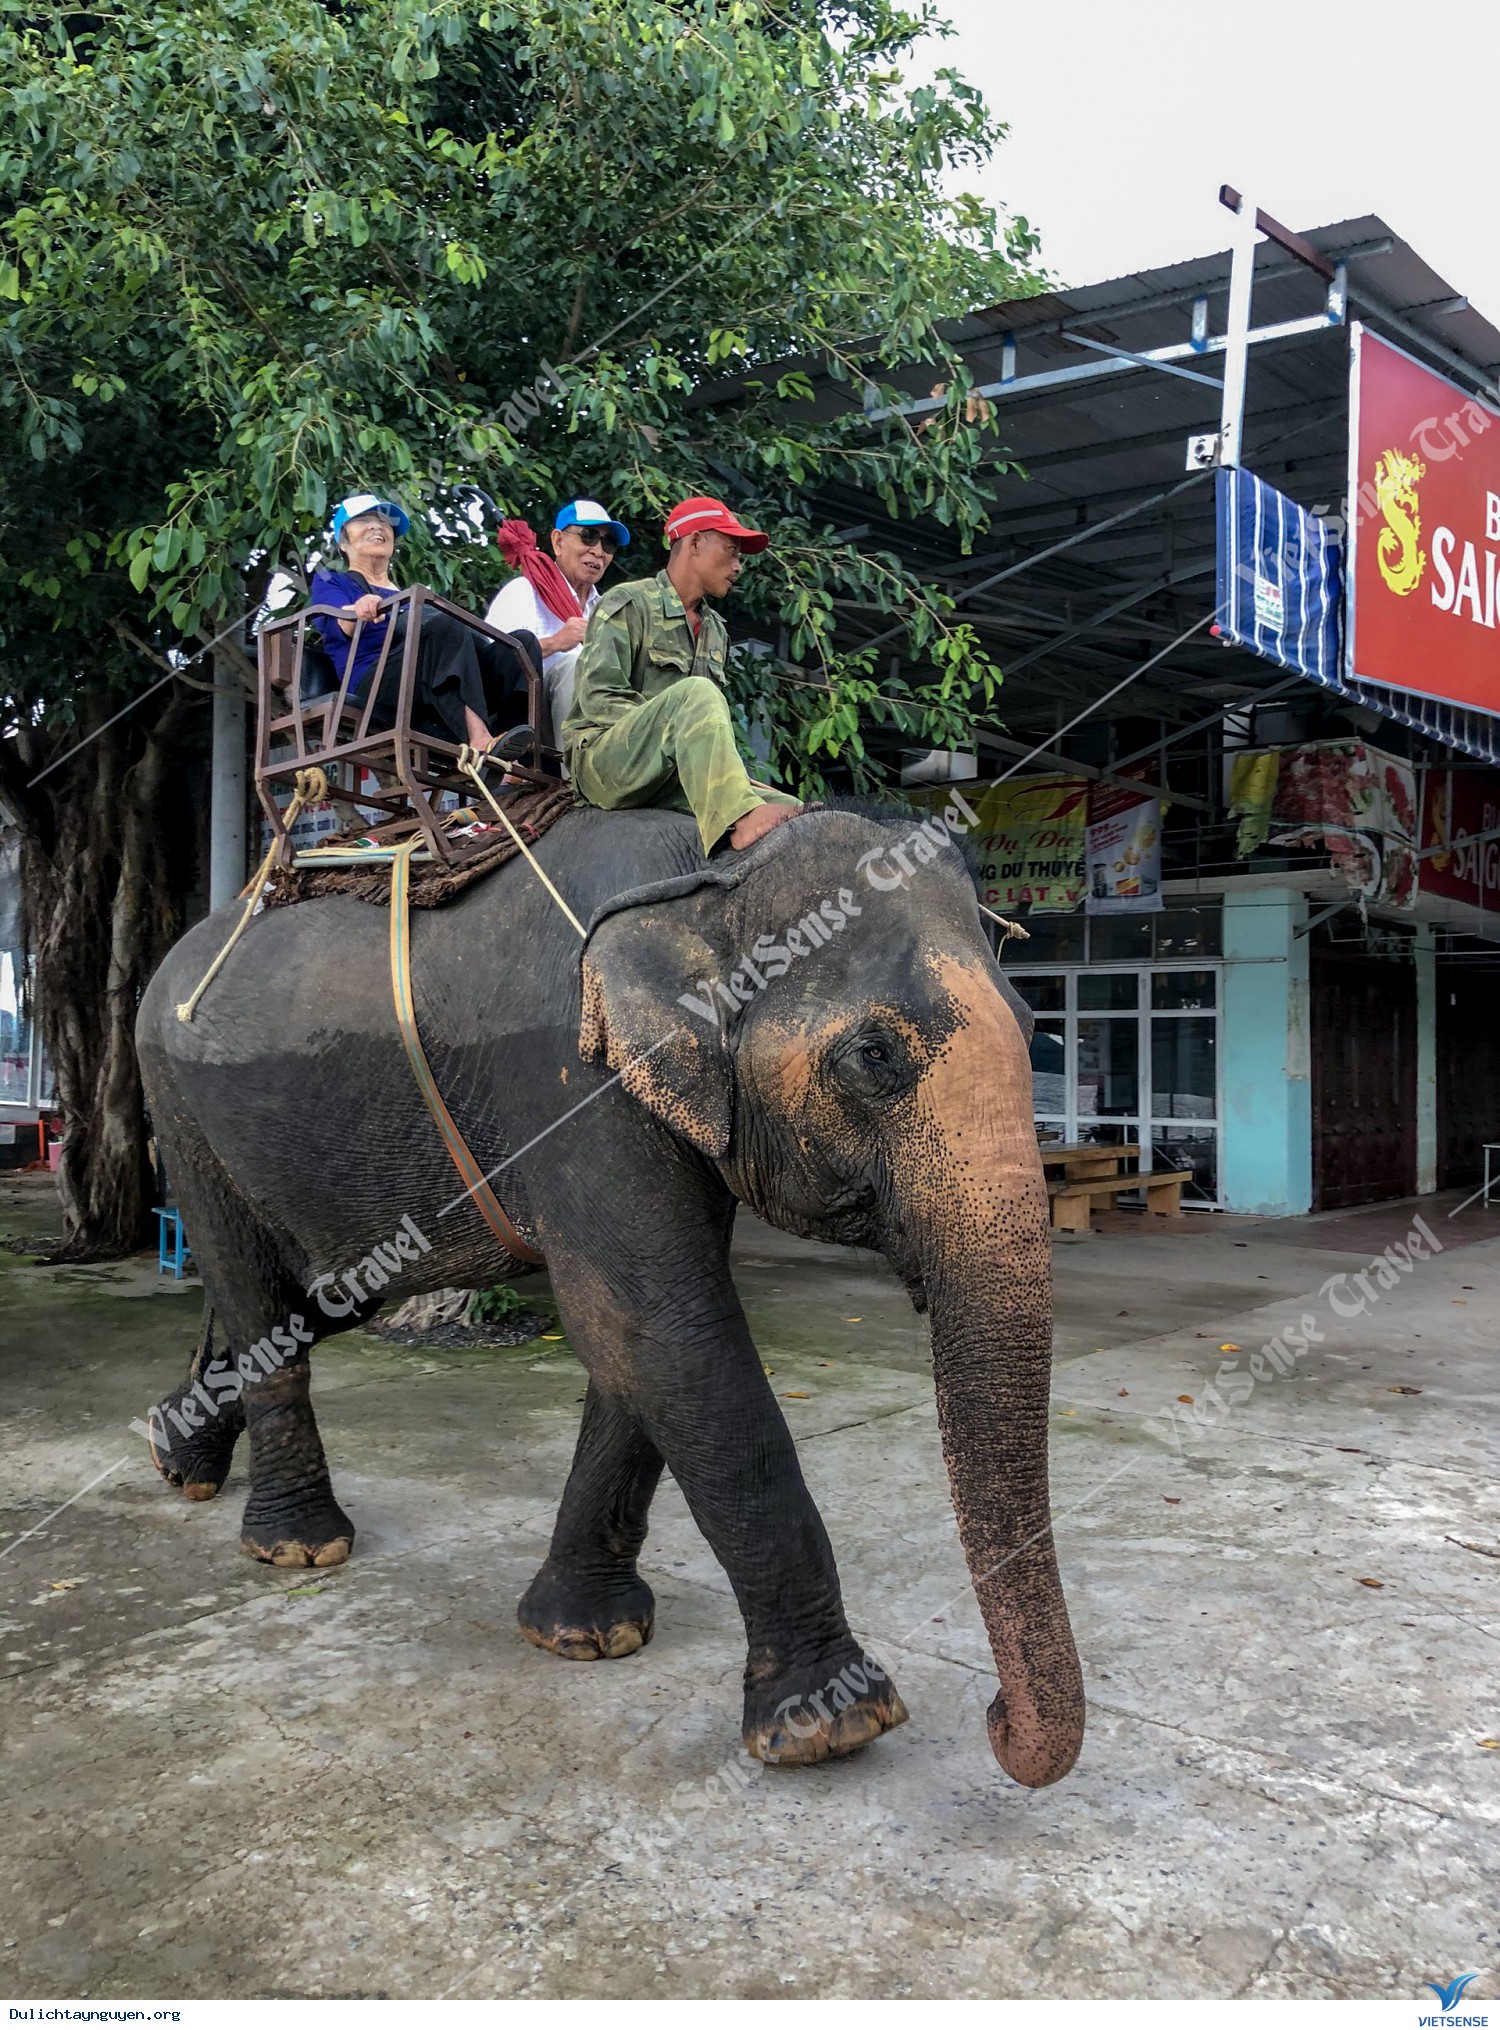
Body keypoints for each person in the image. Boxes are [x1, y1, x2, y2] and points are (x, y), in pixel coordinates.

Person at [563, 496, 801, 854]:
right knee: (698, 693)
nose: (738, 566)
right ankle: (737, 819)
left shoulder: (716, 630)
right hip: (607, 761)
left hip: (670, 770)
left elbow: (705, 729)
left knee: (794, 811)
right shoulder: (629, 602)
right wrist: (676, 734)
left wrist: (720, 763)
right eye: (732, 550)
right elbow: (599, 698)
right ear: (693, 542)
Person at [307, 494, 538, 751]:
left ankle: (511, 751)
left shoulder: (410, 595)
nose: (378, 526)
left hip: (429, 679)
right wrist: (359, 608)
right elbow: (338, 620)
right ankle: (479, 740)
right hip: (375, 681)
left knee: (520, 645)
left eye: (385, 522)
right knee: (444, 627)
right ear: (343, 541)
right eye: (364, 520)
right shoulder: (333, 581)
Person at [485, 498, 629, 747]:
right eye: (588, 536)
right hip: (527, 716)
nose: (598, 550)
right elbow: (491, 665)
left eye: (609, 543)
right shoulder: (524, 591)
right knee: (573, 666)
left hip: (598, 713)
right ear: (558, 541)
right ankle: (573, 778)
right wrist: (555, 643)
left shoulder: (606, 611)